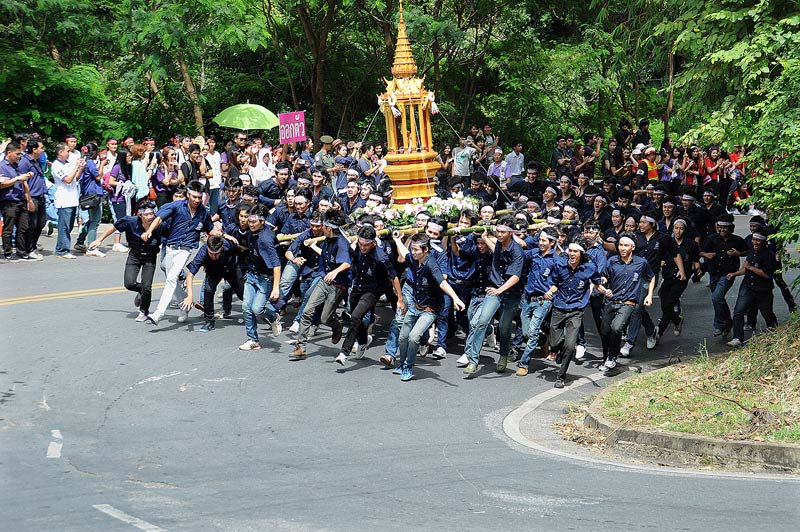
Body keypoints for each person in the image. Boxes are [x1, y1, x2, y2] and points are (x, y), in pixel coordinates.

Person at [383, 233, 465, 381]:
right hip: (415, 305)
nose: (413, 252)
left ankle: (408, 366)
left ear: (425, 250)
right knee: (403, 337)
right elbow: (405, 252)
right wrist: (397, 240)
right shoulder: (414, 259)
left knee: (413, 337)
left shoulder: (431, 264)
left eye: (416, 250)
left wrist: (455, 298)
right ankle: (401, 364)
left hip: (430, 309)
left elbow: (442, 283)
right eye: (413, 249)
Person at [141, 180, 217, 325]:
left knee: (171, 278)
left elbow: (210, 229)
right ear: (188, 195)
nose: (197, 200)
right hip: (171, 247)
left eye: (199, 197)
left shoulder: (204, 212)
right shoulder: (176, 206)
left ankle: (158, 313)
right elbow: (159, 218)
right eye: (194, 197)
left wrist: (224, 235)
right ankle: (184, 306)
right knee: (171, 276)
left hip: (186, 249)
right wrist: (149, 231)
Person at [463, 217, 525, 378]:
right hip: (495, 289)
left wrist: (500, 290)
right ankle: (473, 361)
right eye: (497, 231)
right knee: (481, 322)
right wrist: (484, 237)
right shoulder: (498, 243)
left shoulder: (517, 251)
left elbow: (515, 277)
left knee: (504, 327)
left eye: (503, 232)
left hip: (511, 293)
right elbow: (496, 250)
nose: (499, 234)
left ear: (511, 233)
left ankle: (503, 355)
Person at [335, 225, 405, 365]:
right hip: (358, 286)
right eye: (360, 243)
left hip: (372, 290)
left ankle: (344, 353)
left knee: (355, 317)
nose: (362, 247)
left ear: (373, 243)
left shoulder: (381, 257)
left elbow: (394, 277)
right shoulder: (358, 247)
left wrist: (400, 299)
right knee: (355, 317)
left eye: (366, 245)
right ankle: (363, 340)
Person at [291, 210, 352, 359]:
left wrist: (335, 272)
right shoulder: (327, 240)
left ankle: (336, 325)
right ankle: (300, 347)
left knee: (325, 318)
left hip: (338, 285)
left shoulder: (341, 242)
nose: (321, 228)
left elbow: (346, 263)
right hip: (323, 280)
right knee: (307, 311)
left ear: (329, 228)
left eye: (323, 226)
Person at [89, 201, 164, 321]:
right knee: (129, 284)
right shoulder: (130, 221)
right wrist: (100, 239)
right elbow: (114, 227)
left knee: (147, 286)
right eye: (146, 214)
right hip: (134, 255)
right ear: (140, 215)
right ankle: (142, 290)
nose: (150, 217)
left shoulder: (160, 225)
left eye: (152, 214)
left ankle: (143, 311)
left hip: (150, 257)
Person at [544, 237, 603, 388]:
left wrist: (604, 290)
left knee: (570, 346)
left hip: (576, 310)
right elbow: (553, 282)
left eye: (575, 251)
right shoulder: (560, 265)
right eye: (570, 250)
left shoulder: (589, 267)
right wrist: (551, 289)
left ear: (581, 254)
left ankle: (561, 376)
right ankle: (558, 349)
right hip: (558, 307)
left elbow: (597, 282)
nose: (571, 253)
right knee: (555, 342)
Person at [598, 232, 655, 371]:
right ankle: (606, 358)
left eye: (626, 245)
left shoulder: (641, 262)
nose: (622, 248)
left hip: (628, 302)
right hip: (611, 300)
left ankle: (612, 357)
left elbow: (651, 277)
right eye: (620, 245)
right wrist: (604, 281)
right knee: (605, 331)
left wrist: (649, 295)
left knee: (616, 327)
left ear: (632, 247)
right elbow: (604, 276)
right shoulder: (612, 261)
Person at [516, 227, 560, 376]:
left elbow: (560, 281)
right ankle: (543, 339)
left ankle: (524, 364)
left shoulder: (557, 260)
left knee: (532, 332)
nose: (540, 243)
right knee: (526, 333)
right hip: (528, 299)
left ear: (552, 242)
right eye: (539, 240)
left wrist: (551, 291)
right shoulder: (534, 253)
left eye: (543, 240)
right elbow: (519, 254)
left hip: (543, 302)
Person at [238, 204, 283, 349]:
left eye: (253, 222)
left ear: (262, 221)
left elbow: (276, 264)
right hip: (252, 274)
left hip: (265, 278)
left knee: (257, 309)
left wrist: (276, 288)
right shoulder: (252, 232)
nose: (250, 224)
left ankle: (273, 317)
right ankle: (253, 340)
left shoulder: (266, 239)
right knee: (246, 307)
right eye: (249, 221)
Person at [182, 234, 243, 332]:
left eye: (216, 254)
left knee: (242, 295)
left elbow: (241, 250)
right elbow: (190, 275)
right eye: (211, 254)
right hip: (214, 271)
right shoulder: (203, 252)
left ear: (221, 248)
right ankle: (209, 321)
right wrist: (190, 296)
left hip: (232, 270)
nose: (214, 256)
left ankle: (254, 313)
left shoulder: (228, 244)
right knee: (208, 290)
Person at [727, 232, 779, 347]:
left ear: (763, 242)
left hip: (763, 289)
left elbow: (767, 274)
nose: (755, 242)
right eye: (754, 240)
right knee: (738, 311)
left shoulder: (769, 255)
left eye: (758, 240)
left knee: (767, 313)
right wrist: (734, 274)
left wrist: (751, 267)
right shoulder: (751, 252)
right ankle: (737, 338)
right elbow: (746, 268)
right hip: (747, 286)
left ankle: (775, 332)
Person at [700, 213, 748, 337]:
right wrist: (706, 255)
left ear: (730, 228)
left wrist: (738, 254)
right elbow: (700, 251)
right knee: (719, 298)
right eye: (719, 227)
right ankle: (728, 323)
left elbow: (747, 251)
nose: (721, 229)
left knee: (716, 297)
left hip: (728, 274)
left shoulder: (737, 240)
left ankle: (719, 325)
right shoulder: (711, 238)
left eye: (724, 227)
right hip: (713, 272)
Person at [51, 142, 85, 259]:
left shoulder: (68, 164)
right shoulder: (56, 165)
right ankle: (62, 250)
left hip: (73, 197)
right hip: (64, 199)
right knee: (64, 226)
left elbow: (76, 177)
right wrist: (76, 167)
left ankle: (61, 247)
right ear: (60, 152)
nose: (69, 153)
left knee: (69, 226)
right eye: (67, 151)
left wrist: (81, 168)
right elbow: (68, 179)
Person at [75, 143, 106, 257]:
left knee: (90, 220)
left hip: (86, 193)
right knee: (95, 221)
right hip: (93, 194)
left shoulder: (83, 162)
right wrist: (102, 164)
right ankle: (92, 247)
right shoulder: (91, 163)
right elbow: (98, 176)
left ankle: (80, 241)